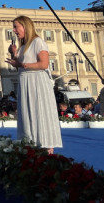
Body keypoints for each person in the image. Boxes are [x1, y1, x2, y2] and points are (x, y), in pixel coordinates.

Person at [6, 15, 62, 154]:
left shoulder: (38, 42)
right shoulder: (23, 46)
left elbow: (43, 64)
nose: (14, 30)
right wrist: (14, 54)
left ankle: (46, 146)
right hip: (26, 83)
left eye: (16, 27)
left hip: (37, 83)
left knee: (39, 111)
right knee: (27, 113)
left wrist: (21, 64)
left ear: (25, 27)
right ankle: (31, 143)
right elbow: (20, 66)